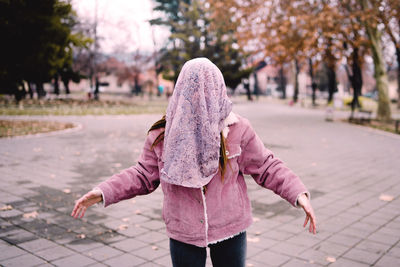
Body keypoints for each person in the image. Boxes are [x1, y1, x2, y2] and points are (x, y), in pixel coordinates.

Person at [71, 58, 317, 267]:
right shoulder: (162, 134)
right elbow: (143, 175)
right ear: (182, 90)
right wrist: (103, 192)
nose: (201, 95)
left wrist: (298, 194)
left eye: (208, 87)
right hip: (183, 230)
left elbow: (267, 165)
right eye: (193, 88)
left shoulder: (237, 129)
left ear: (219, 89)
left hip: (230, 226)